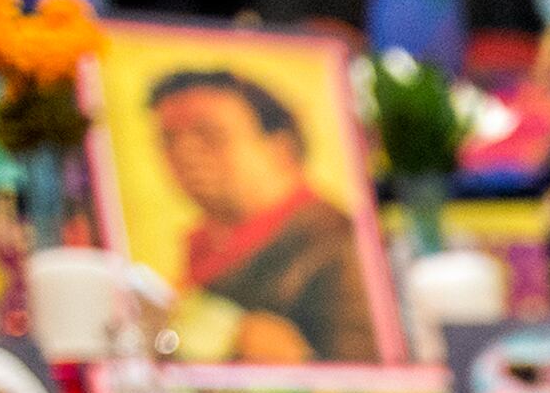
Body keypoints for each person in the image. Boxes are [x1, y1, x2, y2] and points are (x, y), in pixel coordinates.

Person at [146, 67, 378, 363]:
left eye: (209, 134)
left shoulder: (332, 241)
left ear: (281, 148)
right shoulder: (205, 245)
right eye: (170, 140)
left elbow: (361, 378)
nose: (185, 153)